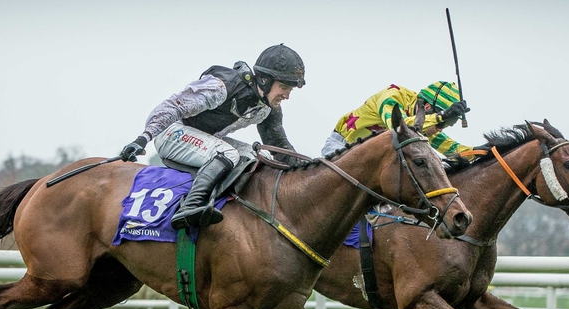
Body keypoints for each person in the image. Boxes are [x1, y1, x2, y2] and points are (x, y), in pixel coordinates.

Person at [119, 44, 305, 230]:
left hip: (201, 142)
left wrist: (308, 169)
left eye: (290, 89)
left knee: (253, 156)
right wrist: (143, 138)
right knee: (228, 153)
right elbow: (172, 107)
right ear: (265, 80)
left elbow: (278, 145)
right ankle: (190, 207)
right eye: (284, 87)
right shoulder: (223, 86)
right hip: (171, 133)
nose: (287, 96)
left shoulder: (268, 108)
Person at [321, 81, 473, 163]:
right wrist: (441, 117)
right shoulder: (392, 95)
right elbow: (398, 126)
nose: (440, 129)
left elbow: (449, 147)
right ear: (427, 107)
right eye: (442, 125)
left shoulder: (421, 121)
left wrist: (480, 152)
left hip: (371, 157)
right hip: (342, 147)